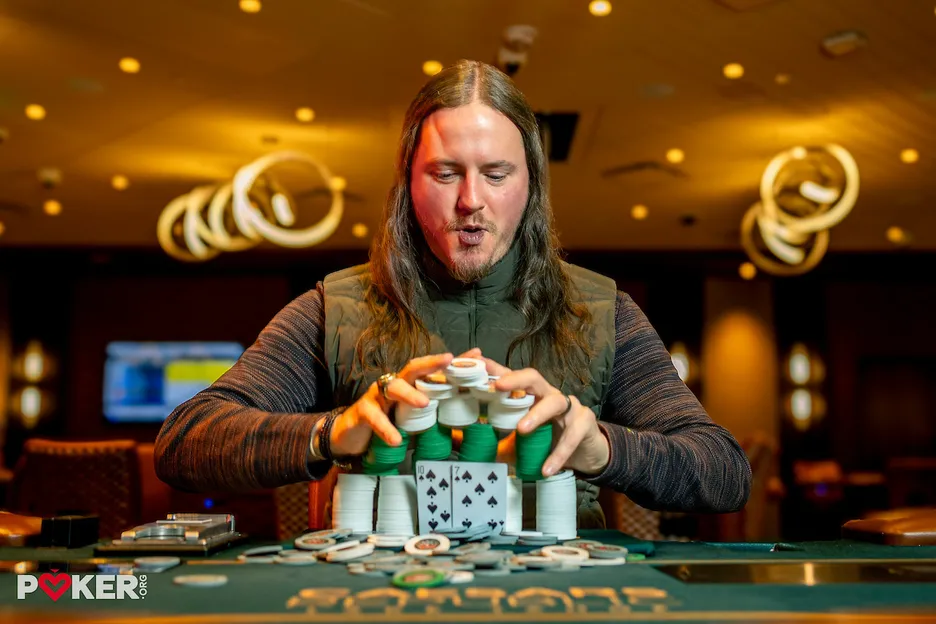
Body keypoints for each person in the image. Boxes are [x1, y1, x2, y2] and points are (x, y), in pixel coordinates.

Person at [154, 60, 751, 529]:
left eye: (496, 174)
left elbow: (722, 470)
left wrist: (601, 448)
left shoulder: (603, 311)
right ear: (407, 184)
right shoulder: (332, 308)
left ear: (530, 185)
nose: (470, 200)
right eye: (444, 174)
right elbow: (186, 441)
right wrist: (330, 432)